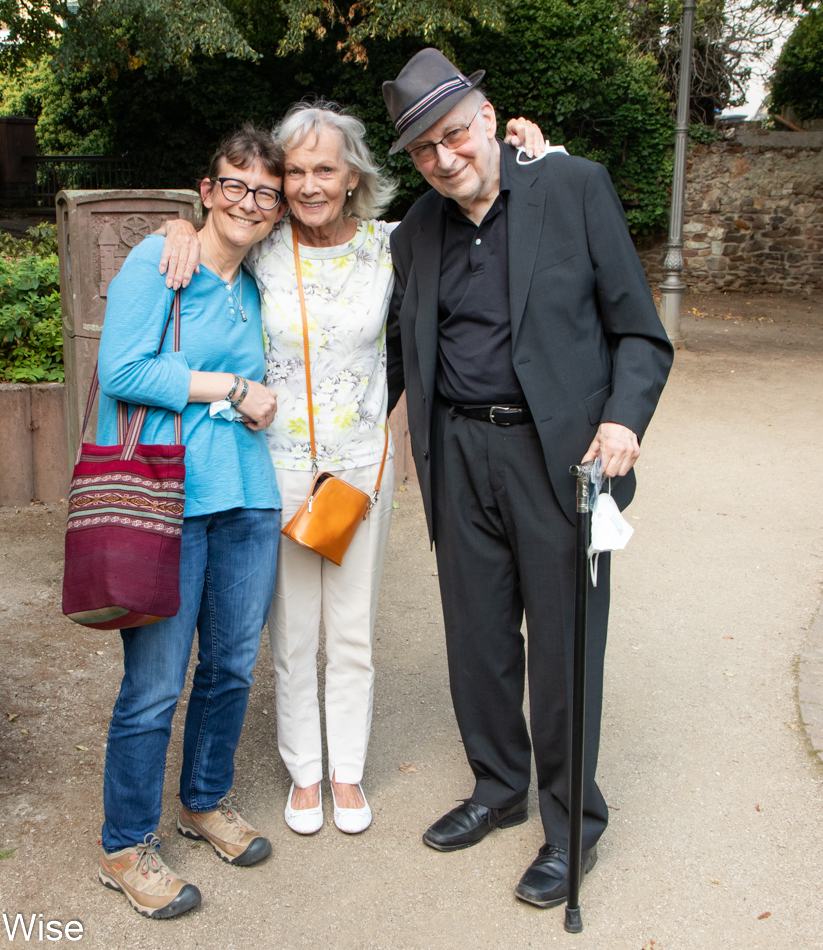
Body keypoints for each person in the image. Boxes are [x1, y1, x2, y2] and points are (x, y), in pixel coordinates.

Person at [158, 103, 546, 837]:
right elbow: (209, 236)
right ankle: (305, 769)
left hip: (362, 468)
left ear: (353, 176)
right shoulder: (265, 246)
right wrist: (178, 224)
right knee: (293, 631)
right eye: (295, 171)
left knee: (354, 632)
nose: (307, 185)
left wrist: (526, 156)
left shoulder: (393, 244)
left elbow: (481, 204)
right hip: (275, 466)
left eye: (324, 169)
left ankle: (347, 771)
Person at [381, 49, 673, 909]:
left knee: (564, 646)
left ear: (488, 116)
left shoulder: (573, 187)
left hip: (562, 457)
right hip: (458, 455)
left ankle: (571, 824)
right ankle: (498, 786)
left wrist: (622, 419)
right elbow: (398, 347)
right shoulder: (412, 234)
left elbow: (640, 334)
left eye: (456, 133)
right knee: (476, 641)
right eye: (425, 148)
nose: (445, 157)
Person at [95, 124, 286, 920]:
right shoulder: (161, 261)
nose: (250, 202)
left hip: (248, 496)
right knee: (155, 685)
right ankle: (125, 844)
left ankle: (204, 801)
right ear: (206, 193)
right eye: (235, 186)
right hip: (167, 500)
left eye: (265, 194)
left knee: (232, 666)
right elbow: (122, 369)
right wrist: (232, 391)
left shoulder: (257, 281)